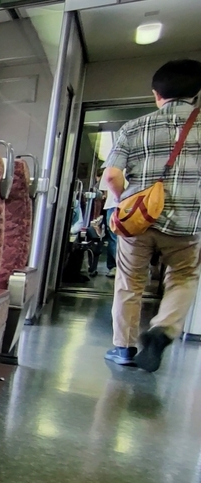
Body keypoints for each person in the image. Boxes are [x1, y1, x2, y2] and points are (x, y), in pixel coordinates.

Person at [102, 59, 201, 372]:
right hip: (188, 223)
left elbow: (112, 176)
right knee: (184, 277)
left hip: (138, 220)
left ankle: (123, 348)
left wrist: (123, 202)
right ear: (196, 94)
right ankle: (163, 329)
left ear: (156, 94)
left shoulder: (133, 127)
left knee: (129, 281)